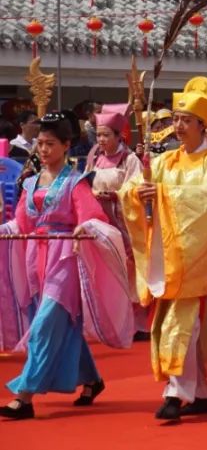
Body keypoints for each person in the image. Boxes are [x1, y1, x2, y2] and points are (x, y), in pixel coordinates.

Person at [120, 77, 207, 421]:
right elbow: (134, 186)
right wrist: (136, 193)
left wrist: (163, 196)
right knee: (186, 328)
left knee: (180, 326)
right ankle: (200, 391)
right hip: (169, 258)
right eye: (176, 119)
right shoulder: (165, 161)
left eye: (185, 120)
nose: (178, 126)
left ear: (203, 127)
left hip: (196, 261)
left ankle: (176, 394)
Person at [0, 112, 133, 420]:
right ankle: (90, 378)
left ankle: (24, 396)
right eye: (40, 143)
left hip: (65, 259)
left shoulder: (76, 183)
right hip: (37, 259)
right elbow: (21, 223)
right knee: (63, 324)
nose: (44, 149)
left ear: (66, 145)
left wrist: (84, 229)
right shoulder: (29, 181)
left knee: (45, 324)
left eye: (50, 144)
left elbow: (94, 219)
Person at [84, 103, 148, 340]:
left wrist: (115, 195)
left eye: (105, 135)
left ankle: (138, 323)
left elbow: (137, 188)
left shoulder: (129, 160)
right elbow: (86, 183)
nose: (101, 140)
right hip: (101, 219)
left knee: (130, 269)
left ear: (118, 135)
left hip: (124, 221)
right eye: (98, 135)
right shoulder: (95, 158)